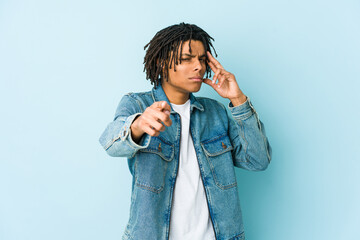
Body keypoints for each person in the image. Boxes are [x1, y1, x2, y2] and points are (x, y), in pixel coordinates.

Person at [99, 22, 272, 240]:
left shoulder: (215, 113)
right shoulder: (138, 104)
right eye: (186, 59)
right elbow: (110, 143)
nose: (198, 66)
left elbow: (258, 160)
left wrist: (238, 100)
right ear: (162, 63)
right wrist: (139, 124)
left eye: (201, 59)